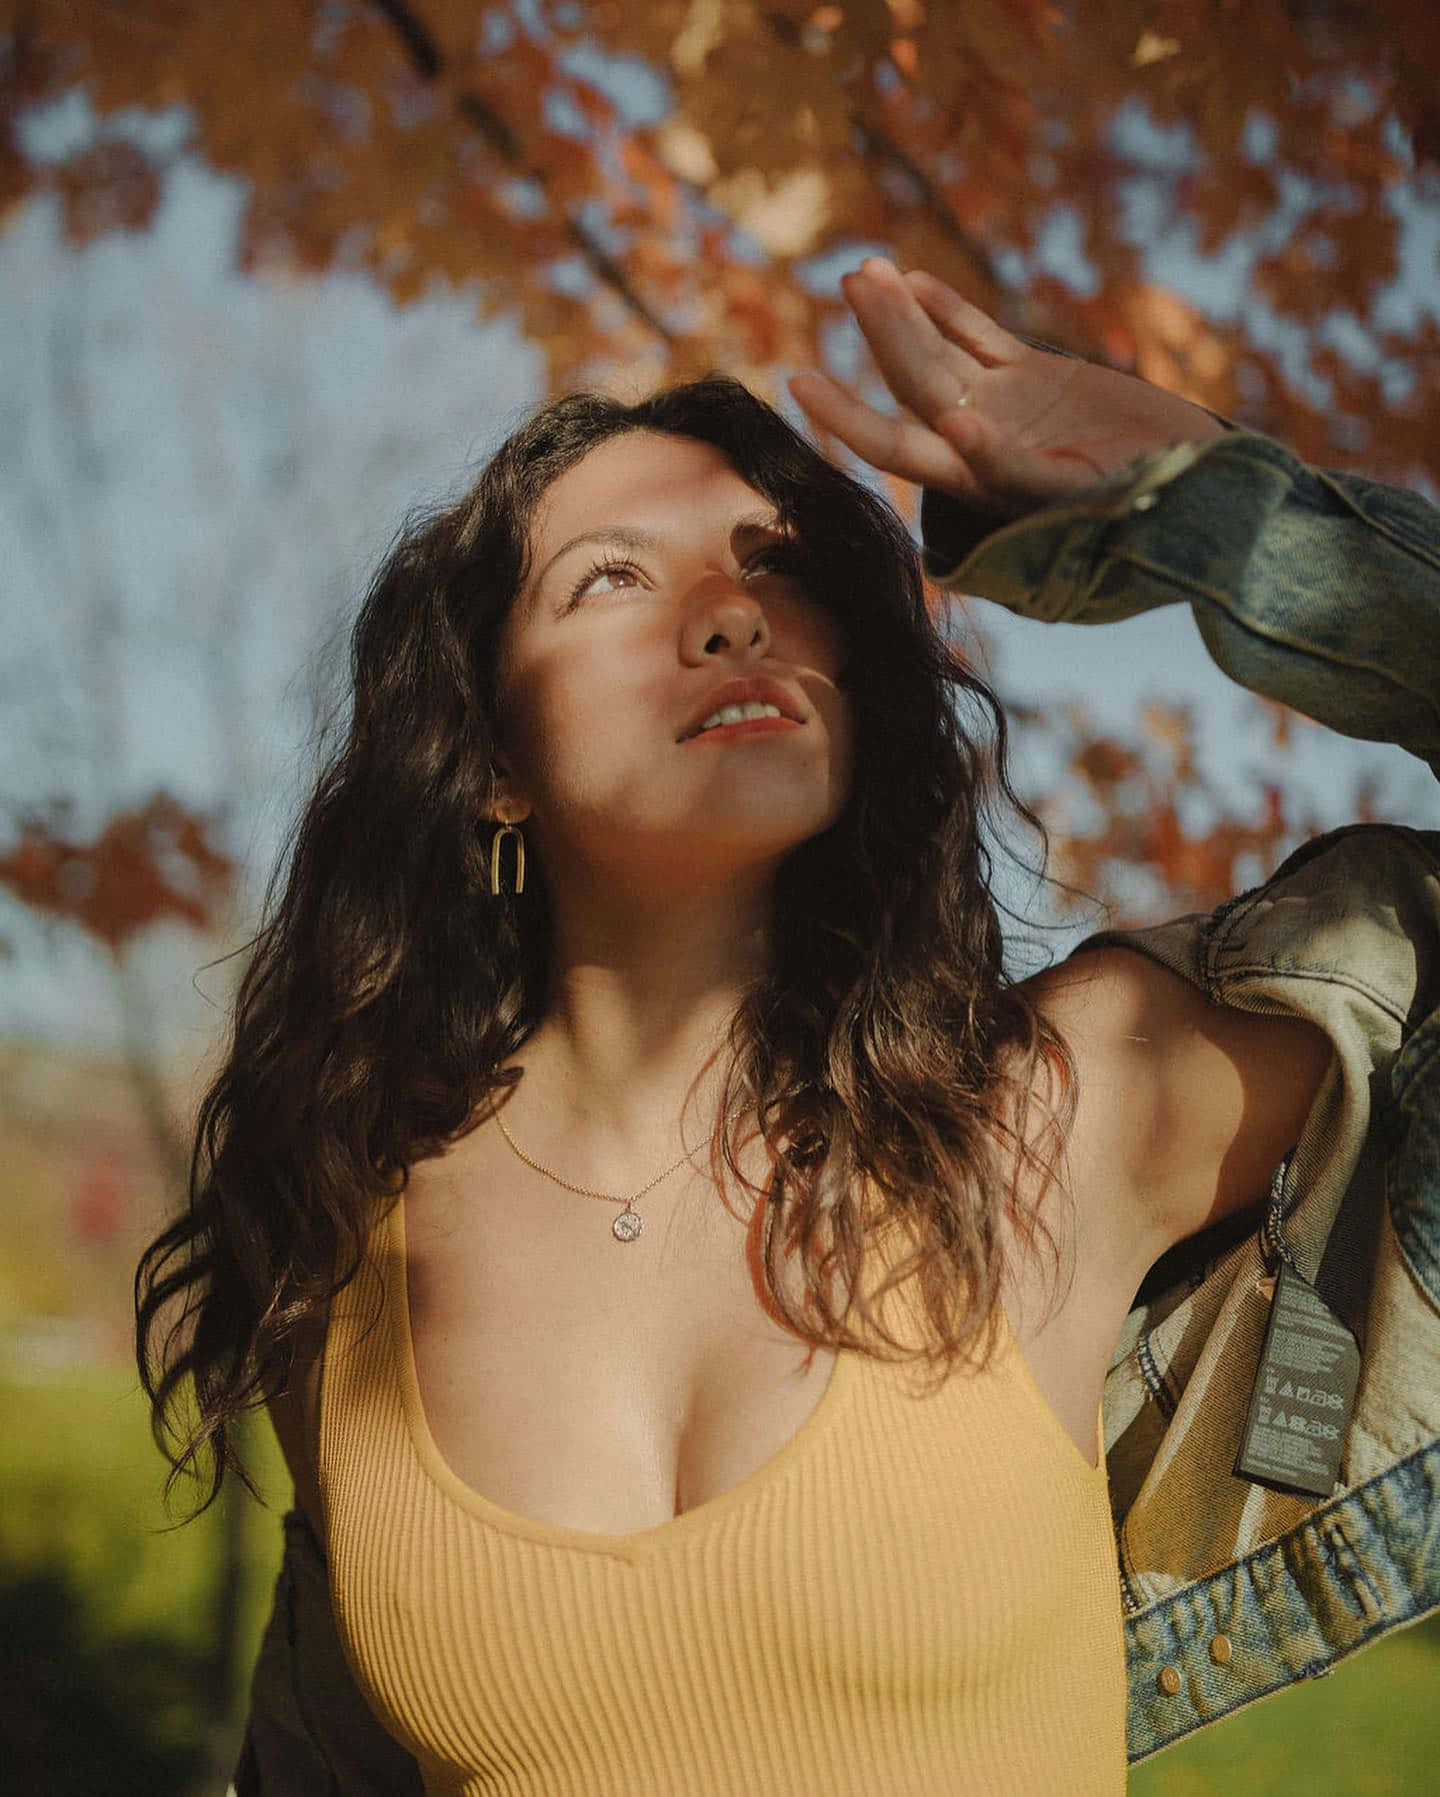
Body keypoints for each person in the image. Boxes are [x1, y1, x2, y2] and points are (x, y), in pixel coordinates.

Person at [136, 258, 1440, 1796]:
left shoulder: (1060, 1119)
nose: (727, 613)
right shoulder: (351, 1244)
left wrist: (1223, 519)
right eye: (612, 576)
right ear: (488, 757)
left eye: (775, 564)